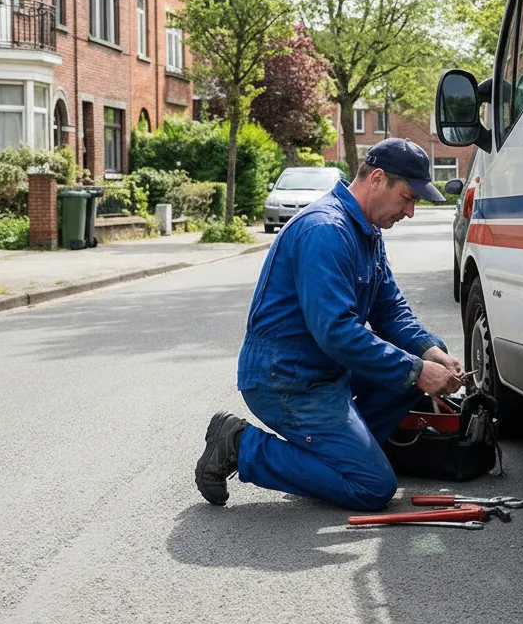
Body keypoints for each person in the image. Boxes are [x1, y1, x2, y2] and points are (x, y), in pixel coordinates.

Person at [195, 137, 464, 511]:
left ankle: (332, 460)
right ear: (378, 179)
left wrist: (431, 354)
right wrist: (418, 371)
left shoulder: (366, 231)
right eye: (407, 198)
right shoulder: (326, 230)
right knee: (373, 487)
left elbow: (390, 310)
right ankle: (241, 445)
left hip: (323, 369)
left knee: (422, 364)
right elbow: (336, 333)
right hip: (287, 380)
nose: (410, 212)